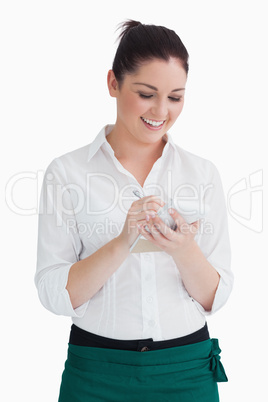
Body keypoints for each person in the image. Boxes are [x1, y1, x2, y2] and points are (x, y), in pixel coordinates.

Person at [35, 20, 234, 402]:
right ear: (113, 83)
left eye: (175, 97)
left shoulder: (202, 173)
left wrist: (183, 250)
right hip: (95, 371)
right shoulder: (67, 172)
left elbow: (215, 297)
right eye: (146, 94)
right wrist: (122, 242)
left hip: (187, 369)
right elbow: (53, 292)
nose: (161, 110)